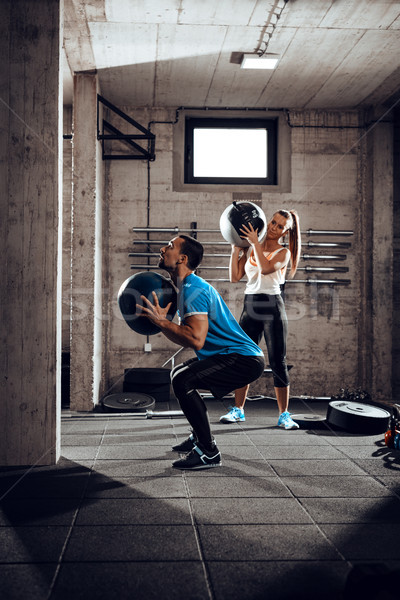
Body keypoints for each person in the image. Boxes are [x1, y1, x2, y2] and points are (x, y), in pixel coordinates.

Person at [138, 234, 265, 470]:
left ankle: (208, 451)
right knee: (180, 373)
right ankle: (199, 436)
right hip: (234, 356)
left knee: (182, 379)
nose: (163, 248)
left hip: (243, 359)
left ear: (182, 258)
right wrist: (162, 323)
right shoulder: (187, 287)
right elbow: (185, 335)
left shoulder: (193, 290)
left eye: (170, 246)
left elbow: (195, 340)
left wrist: (162, 323)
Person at [220, 209, 301, 430]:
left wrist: (254, 242)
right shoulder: (252, 247)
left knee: (277, 361)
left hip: (272, 306)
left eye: (280, 226)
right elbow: (235, 277)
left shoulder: (284, 253)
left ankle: (284, 414)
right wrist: (235, 250)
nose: (274, 228)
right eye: (273, 222)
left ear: (286, 232)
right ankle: (238, 410)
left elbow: (265, 269)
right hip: (250, 305)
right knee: (243, 358)